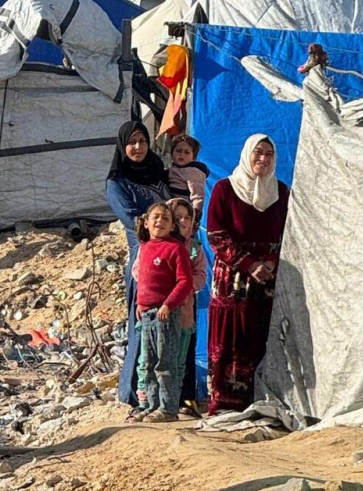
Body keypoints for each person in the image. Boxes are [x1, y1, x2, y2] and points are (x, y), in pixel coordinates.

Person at [207, 135, 290, 415]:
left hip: (267, 281)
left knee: (262, 337)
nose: (263, 159)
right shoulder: (225, 189)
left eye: (269, 154)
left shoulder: (281, 192)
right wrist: (249, 264)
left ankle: (261, 401)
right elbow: (217, 235)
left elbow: (289, 234)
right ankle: (226, 404)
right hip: (233, 280)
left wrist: (269, 263)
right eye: (258, 153)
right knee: (231, 339)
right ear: (246, 154)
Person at [106, 121, 171, 407]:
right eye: (131, 142)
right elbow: (133, 221)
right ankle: (132, 394)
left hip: (171, 259)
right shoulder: (117, 182)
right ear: (123, 146)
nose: (137, 147)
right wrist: (162, 230)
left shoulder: (159, 174)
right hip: (143, 261)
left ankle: (167, 395)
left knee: (169, 329)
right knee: (141, 327)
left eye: (142, 141)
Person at [131, 197, 205, 417]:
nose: (160, 222)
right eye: (156, 217)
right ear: (146, 222)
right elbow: (143, 278)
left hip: (170, 313)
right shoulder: (144, 248)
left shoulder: (180, 249)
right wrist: (141, 304)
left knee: (167, 362)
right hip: (147, 313)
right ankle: (152, 406)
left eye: (166, 218)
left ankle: (168, 408)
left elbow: (187, 281)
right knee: (150, 361)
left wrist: (168, 304)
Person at [167, 134, 209, 222]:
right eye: (178, 151)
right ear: (172, 153)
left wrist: (195, 214)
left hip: (184, 212)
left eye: (187, 152)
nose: (182, 154)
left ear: (193, 157)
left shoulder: (193, 172)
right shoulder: (171, 169)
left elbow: (197, 194)